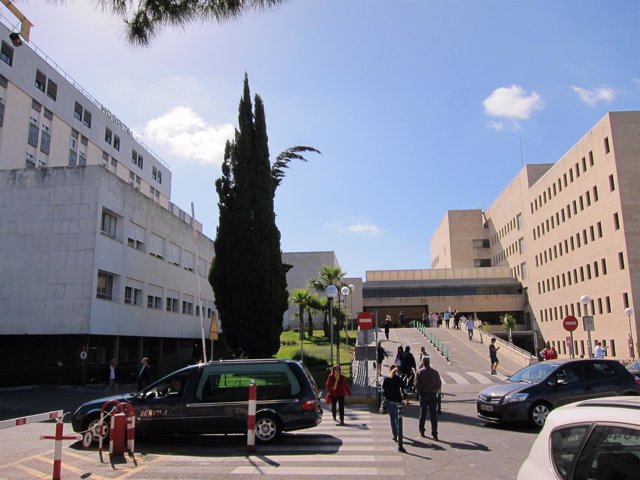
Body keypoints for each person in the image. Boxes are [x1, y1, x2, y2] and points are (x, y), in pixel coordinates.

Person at [415, 356, 442, 440]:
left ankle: (422, 430)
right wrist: (435, 390)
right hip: (432, 395)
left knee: (422, 413)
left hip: (423, 395)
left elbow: (416, 384)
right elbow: (439, 383)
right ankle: (434, 434)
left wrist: (420, 392)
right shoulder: (435, 372)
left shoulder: (419, 372)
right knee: (433, 415)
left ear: (423, 362)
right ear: (429, 362)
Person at [382, 365, 408, 442]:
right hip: (398, 400)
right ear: (396, 371)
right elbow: (404, 389)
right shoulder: (399, 379)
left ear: (390, 370)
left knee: (392, 418)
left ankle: (395, 434)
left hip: (390, 400)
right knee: (398, 418)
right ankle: (399, 432)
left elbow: (383, 390)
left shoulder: (386, 379)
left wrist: (386, 396)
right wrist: (406, 398)